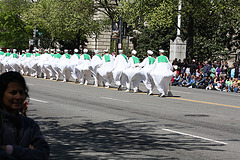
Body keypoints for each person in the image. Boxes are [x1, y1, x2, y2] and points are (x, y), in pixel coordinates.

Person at [0, 71, 50, 159]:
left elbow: (43, 153)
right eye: (13, 92)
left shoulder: (30, 125)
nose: (18, 97)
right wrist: (29, 152)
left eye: (21, 92)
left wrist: (11, 150)